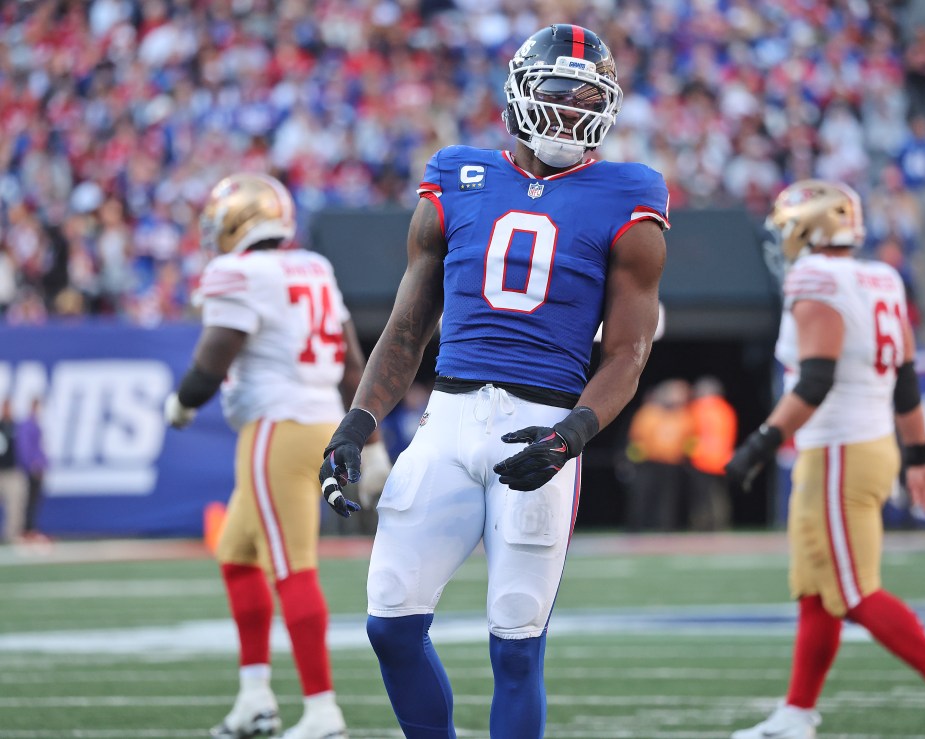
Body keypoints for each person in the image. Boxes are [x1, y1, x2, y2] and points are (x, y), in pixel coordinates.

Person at [317, 24, 669, 739]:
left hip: (542, 425)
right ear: (519, 93)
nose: (571, 112)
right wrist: (357, 421)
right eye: (559, 93)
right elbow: (408, 327)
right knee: (390, 620)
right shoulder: (456, 174)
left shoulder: (630, 193)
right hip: (447, 421)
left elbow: (627, 354)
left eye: (587, 99)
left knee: (515, 644)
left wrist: (571, 435)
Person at [724, 180, 925, 739]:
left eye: (788, 228)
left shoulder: (816, 277)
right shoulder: (882, 277)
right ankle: (797, 713)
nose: (781, 240)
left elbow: (816, 380)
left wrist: (759, 445)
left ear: (810, 229)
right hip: (863, 447)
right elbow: (906, 376)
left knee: (852, 592)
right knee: (816, 591)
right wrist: (918, 456)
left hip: (839, 452)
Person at [163, 172, 391, 739]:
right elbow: (353, 364)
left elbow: (212, 361)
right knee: (238, 553)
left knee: (292, 566)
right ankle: (254, 697)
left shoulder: (239, 273)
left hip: (277, 427)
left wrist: (182, 403)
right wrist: (373, 442)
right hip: (322, 422)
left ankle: (321, 709)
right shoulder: (313, 266)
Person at [623, 379, 694, 532]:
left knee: (668, 499)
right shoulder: (649, 413)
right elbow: (636, 438)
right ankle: (637, 529)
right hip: (648, 462)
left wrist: (687, 457)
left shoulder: (683, 415)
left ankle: (663, 528)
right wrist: (633, 462)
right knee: (643, 496)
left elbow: (689, 439)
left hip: (672, 463)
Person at [687, 376, 737, 532]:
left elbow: (688, 432)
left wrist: (688, 451)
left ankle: (702, 526)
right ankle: (720, 526)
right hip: (722, 460)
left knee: (702, 497)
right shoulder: (726, 409)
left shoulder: (697, 409)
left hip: (701, 459)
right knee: (718, 495)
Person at [15, 397, 48, 541]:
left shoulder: (35, 424)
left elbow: (39, 448)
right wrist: (32, 465)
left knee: (34, 501)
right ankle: (26, 530)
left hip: (37, 468)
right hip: (31, 470)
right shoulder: (27, 425)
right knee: (29, 501)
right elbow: (25, 448)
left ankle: (30, 529)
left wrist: (43, 464)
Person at [0, 399, 28, 544]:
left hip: (12, 473)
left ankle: (12, 536)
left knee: (15, 507)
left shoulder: (17, 427)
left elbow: (24, 449)